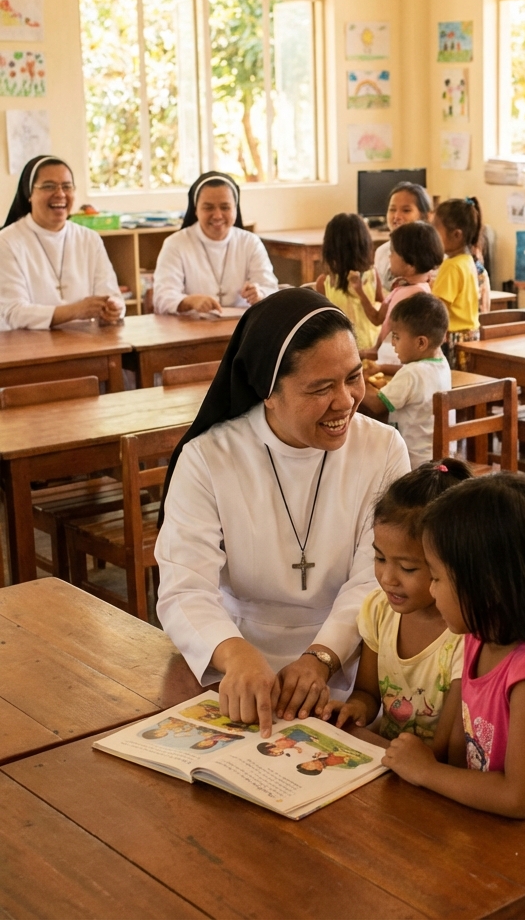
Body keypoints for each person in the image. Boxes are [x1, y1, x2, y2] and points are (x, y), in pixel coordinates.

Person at [155, 287, 410, 738]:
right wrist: (234, 653)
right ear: (267, 393)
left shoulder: (383, 447)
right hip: (230, 661)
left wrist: (322, 656)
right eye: (320, 388)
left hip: (351, 663)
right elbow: (184, 586)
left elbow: (374, 577)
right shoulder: (209, 457)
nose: (346, 401)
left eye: (353, 377)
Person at [383, 473, 525, 920]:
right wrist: (420, 766)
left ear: (487, 588)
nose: (430, 592)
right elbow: (454, 748)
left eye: (436, 578)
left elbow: (517, 798)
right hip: (500, 836)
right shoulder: (478, 637)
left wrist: (425, 773)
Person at [324, 460, 471, 747]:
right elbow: (367, 693)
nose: (388, 578)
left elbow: (445, 751)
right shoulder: (380, 611)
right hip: (389, 760)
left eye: (407, 567)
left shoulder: (464, 636)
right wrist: (355, 710)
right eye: (379, 559)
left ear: (450, 564)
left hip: (432, 777)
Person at [0, 155, 125, 330]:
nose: (60, 194)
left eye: (67, 186)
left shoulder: (89, 239)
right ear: (29, 194)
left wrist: (114, 307)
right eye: (49, 186)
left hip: (85, 342)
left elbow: (112, 295)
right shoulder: (7, 242)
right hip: (27, 348)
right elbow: (14, 312)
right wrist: (76, 310)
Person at [152, 172, 278, 315]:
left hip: (243, 328)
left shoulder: (250, 243)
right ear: (196, 210)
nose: (217, 215)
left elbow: (271, 288)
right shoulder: (175, 244)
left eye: (225, 207)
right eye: (208, 208)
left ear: (235, 209)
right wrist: (189, 301)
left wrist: (259, 293)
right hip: (191, 329)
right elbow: (161, 297)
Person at [362, 293, 452, 467]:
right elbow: (412, 372)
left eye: (396, 336)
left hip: (411, 462)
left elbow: (376, 405)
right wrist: (381, 368)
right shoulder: (441, 362)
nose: (393, 343)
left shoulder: (411, 375)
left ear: (420, 343)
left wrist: (355, 381)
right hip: (438, 458)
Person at [361, 221, 444, 369]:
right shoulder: (403, 288)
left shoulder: (416, 297)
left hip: (397, 367)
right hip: (388, 360)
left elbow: (412, 357)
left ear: (410, 265)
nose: (389, 257)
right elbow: (380, 319)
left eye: (393, 253)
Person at [314, 213, 382, 351]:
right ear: (364, 245)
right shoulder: (325, 282)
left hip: (366, 352)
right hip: (349, 352)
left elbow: (381, 310)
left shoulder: (371, 276)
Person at [431, 198, 482, 367]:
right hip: (470, 335)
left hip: (453, 338)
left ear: (457, 235)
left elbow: (439, 309)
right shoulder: (467, 261)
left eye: (435, 229)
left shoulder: (451, 266)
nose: (432, 234)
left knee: (451, 384)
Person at [374, 182, 433, 294]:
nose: (396, 216)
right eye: (392, 209)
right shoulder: (381, 252)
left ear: (425, 216)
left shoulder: (432, 257)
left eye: (406, 210)